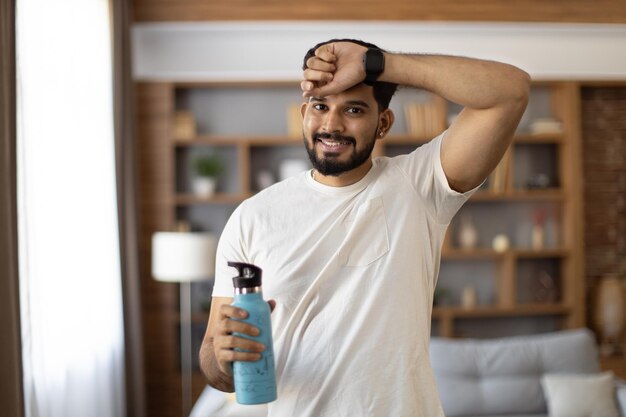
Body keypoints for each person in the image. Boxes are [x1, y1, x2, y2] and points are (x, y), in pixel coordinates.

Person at [199, 38, 530, 416]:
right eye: (321, 106)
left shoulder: (419, 186)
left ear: (383, 122)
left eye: (354, 109)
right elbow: (213, 359)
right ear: (304, 112)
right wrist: (224, 359)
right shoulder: (252, 217)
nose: (332, 125)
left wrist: (377, 64)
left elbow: (511, 91)